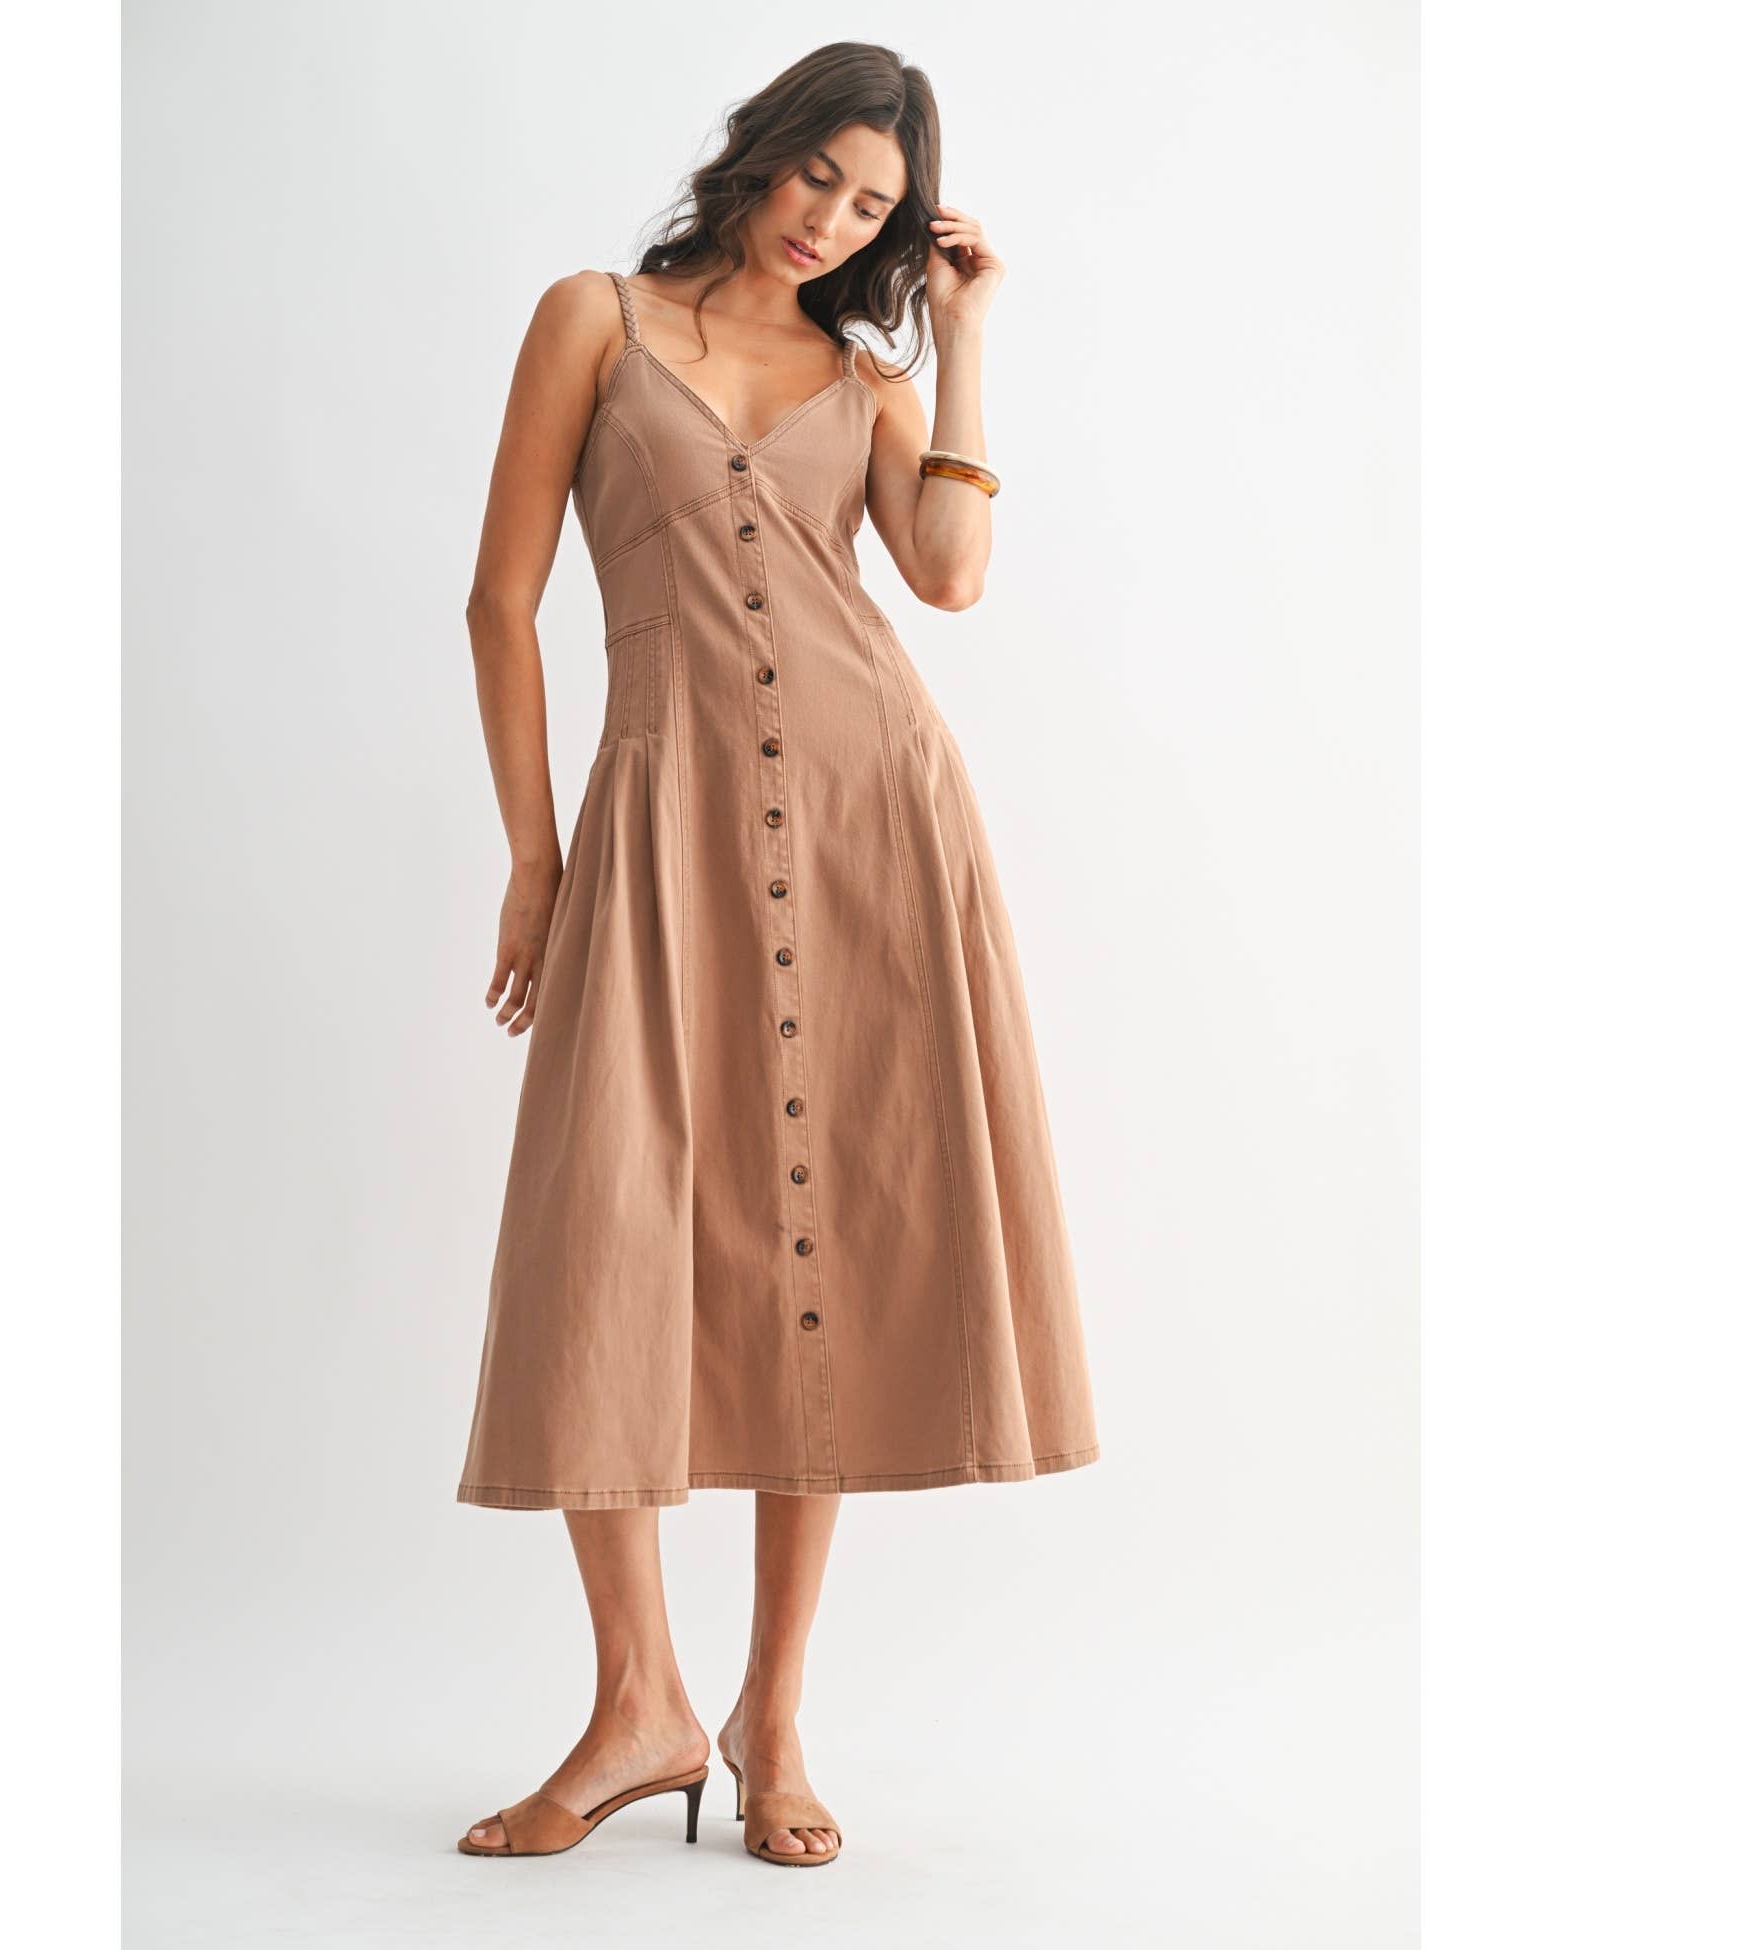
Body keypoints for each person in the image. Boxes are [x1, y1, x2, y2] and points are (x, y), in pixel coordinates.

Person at [455, 41, 1099, 1868]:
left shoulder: (869, 379)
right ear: (761, 152)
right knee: (614, 1227)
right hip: (660, 817)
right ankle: (636, 1702)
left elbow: (947, 576)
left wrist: (962, 336)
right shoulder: (593, 321)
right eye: (819, 175)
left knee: (824, 1228)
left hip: (865, 815)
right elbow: (501, 599)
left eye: (873, 205)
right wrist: (533, 857)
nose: (831, 220)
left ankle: (771, 1714)